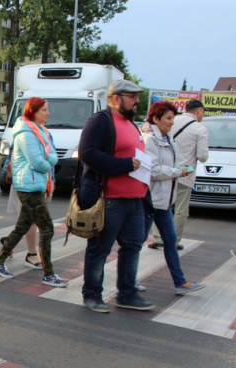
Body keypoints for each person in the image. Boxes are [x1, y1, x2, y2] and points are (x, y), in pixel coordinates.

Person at [79, 79, 154, 313]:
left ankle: (127, 294)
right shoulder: (101, 121)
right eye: (132, 97)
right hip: (110, 198)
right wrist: (124, 165)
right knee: (100, 248)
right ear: (115, 98)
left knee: (133, 246)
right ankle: (92, 294)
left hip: (135, 200)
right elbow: (88, 154)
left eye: (137, 97)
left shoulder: (131, 124)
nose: (137, 101)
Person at [0, 98, 68, 287]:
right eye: (44, 110)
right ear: (33, 111)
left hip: (36, 183)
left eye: (47, 109)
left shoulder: (41, 131)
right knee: (47, 228)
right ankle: (49, 274)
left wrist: (48, 159)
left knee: (22, 227)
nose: (48, 113)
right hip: (29, 185)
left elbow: (51, 156)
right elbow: (38, 162)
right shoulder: (26, 133)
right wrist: (50, 159)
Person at [139, 101, 206, 295]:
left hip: (164, 201)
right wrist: (177, 172)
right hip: (150, 199)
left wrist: (180, 170)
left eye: (172, 118)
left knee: (170, 241)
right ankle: (127, 283)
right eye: (168, 118)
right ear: (156, 119)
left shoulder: (168, 137)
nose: (171, 122)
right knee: (137, 242)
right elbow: (153, 170)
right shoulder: (151, 139)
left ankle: (180, 282)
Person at [149, 99, 208, 250]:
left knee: (161, 204)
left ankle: (158, 237)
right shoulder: (200, 129)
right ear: (199, 111)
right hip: (184, 173)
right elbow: (202, 156)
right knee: (180, 209)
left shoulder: (172, 121)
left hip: (165, 171)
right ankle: (173, 240)